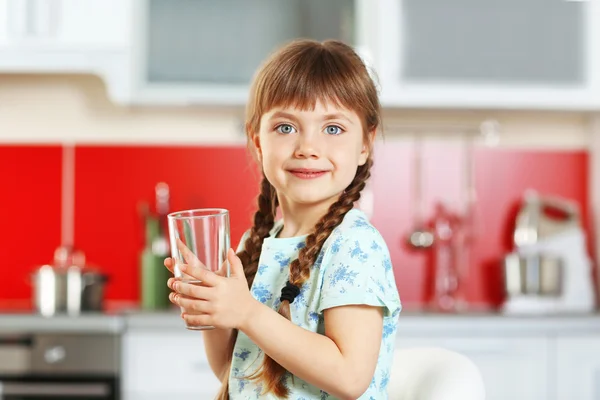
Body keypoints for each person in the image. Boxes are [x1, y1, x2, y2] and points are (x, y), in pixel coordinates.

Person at [164, 39, 401, 399]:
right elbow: (234, 371)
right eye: (286, 128)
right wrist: (216, 312)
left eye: (333, 129)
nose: (308, 147)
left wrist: (245, 312)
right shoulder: (256, 244)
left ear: (365, 144)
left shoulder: (354, 245)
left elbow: (350, 376)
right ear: (257, 141)